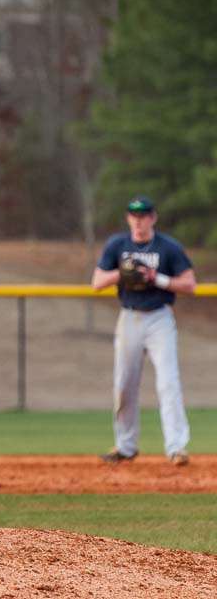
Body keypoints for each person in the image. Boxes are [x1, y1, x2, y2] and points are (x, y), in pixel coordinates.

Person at [92, 195, 197, 466]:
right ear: (129, 218)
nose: (139, 220)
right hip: (130, 318)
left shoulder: (167, 247)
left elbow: (189, 284)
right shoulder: (118, 245)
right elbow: (97, 282)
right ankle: (126, 446)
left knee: (168, 383)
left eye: (145, 215)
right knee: (124, 384)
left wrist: (156, 278)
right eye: (135, 215)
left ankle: (176, 447)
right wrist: (122, 273)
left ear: (153, 218)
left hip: (160, 318)